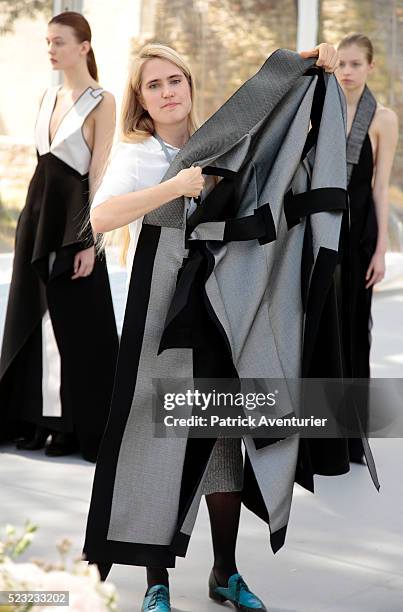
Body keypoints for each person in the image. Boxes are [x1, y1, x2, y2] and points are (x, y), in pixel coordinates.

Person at [84, 42, 341, 612]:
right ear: (142, 102)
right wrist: (175, 187)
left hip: (223, 301)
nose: (169, 90)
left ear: (191, 86)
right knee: (162, 439)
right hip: (161, 307)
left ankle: (224, 573)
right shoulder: (137, 152)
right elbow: (100, 217)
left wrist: (304, 61)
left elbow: (261, 105)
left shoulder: (222, 141)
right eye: (155, 85)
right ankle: (157, 585)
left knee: (223, 436)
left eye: (176, 79)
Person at [0, 12, 119, 462]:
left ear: (84, 46)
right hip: (38, 218)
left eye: (59, 41)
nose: (50, 49)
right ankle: (32, 418)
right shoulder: (47, 96)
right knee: (33, 317)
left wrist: (89, 238)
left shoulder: (101, 100)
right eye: (47, 41)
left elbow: (101, 168)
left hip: (75, 223)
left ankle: (71, 425)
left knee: (74, 326)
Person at [335, 33, 398, 463]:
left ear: (370, 67)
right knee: (321, 327)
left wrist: (381, 250)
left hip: (360, 235)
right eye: (341, 64)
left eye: (356, 64)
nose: (347, 71)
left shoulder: (383, 117)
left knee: (356, 328)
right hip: (322, 231)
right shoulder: (322, 108)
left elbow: (380, 188)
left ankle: (352, 436)